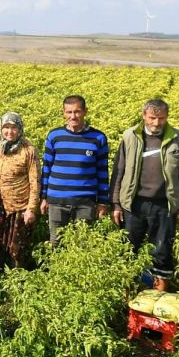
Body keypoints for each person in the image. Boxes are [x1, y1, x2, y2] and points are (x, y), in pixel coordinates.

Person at [109, 99, 179, 291]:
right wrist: (116, 204)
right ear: (144, 116)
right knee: (128, 249)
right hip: (133, 204)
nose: (156, 123)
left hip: (164, 205)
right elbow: (118, 171)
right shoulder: (130, 136)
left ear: (167, 117)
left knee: (162, 251)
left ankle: (158, 296)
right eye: (152, 118)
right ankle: (127, 295)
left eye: (161, 118)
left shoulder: (176, 138)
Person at [40, 95, 110, 247]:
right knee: (56, 242)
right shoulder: (54, 136)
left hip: (85, 202)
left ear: (85, 111)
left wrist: (103, 202)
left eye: (77, 111)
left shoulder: (98, 138)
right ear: (63, 113)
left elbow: (103, 172)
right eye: (69, 112)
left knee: (82, 244)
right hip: (57, 200)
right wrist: (44, 197)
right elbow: (46, 168)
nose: (73, 116)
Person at [0, 112, 40, 268]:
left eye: (14, 128)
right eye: (6, 127)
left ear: (20, 129)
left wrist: (31, 209)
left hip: (19, 206)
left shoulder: (28, 149)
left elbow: (35, 181)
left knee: (17, 249)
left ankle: (17, 278)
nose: (9, 132)